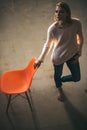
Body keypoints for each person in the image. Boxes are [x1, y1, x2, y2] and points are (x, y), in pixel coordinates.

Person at [34, 2, 84, 101]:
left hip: (73, 54)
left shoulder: (76, 23)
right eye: (56, 12)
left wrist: (79, 53)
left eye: (61, 12)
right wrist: (40, 59)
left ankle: (59, 81)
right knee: (57, 74)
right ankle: (59, 88)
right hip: (58, 57)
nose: (58, 14)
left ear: (67, 13)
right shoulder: (52, 29)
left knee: (76, 77)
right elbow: (47, 45)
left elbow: (80, 39)